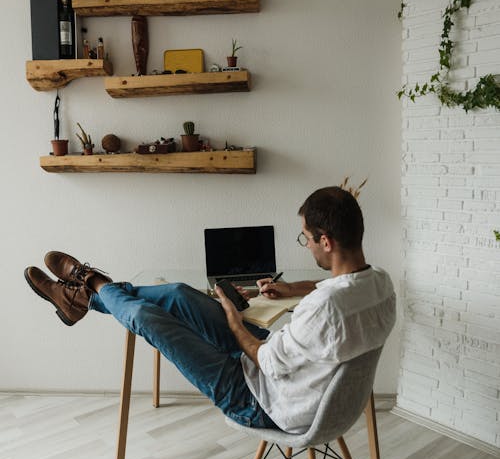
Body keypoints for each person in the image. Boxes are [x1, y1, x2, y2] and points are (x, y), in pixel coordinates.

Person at [24, 186, 396, 434]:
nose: (306, 246)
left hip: (264, 400)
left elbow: (269, 360)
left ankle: (90, 285)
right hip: (289, 371)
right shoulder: (379, 282)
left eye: (306, 238)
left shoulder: (324, 309)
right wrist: (291, 289)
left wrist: (234, 322)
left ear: (326, 241)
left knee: (148, 320)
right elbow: (329, 290)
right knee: (178, 294)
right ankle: (77, 297)